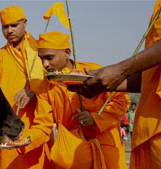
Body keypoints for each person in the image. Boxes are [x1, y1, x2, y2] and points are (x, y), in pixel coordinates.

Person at [69, 1, 161, 168]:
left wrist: (121, 69)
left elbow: (120, 102)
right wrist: (104, 84)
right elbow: (150, 77)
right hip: (149, 126)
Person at [36, 31, 130, 169]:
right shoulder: (46, 85)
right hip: (72, 152)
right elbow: (42, 124)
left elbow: (122, 100)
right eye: (41, 59)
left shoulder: (91, 72)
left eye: (49, 58)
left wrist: (96, 119)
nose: (45, 64)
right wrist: (23, 141)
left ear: (67, 53)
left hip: (104, 146)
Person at [0, 6, 54, 169]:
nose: (9, 30)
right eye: (5, 27)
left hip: (37, 124)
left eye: (14, 25)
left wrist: (34, 92)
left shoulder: (42, 52)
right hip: (7, 129)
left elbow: (55, 85)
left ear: (25, 23)